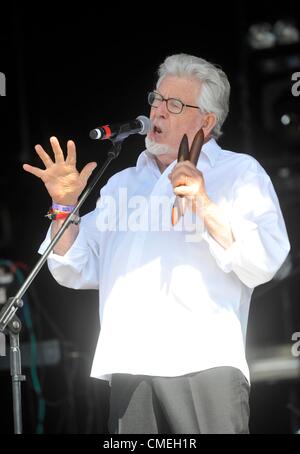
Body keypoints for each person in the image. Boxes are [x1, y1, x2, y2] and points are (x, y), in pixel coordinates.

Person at [23, 53, 290, 434]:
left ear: (207, 120)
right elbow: (72, 266)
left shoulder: (239, 172)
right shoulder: (122, 184)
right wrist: (64, 207)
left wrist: (202, 201)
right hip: (130, 365)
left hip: (205, 363)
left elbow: (266, 259)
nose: (158, 112)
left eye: (175, 104)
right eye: (156, 99)